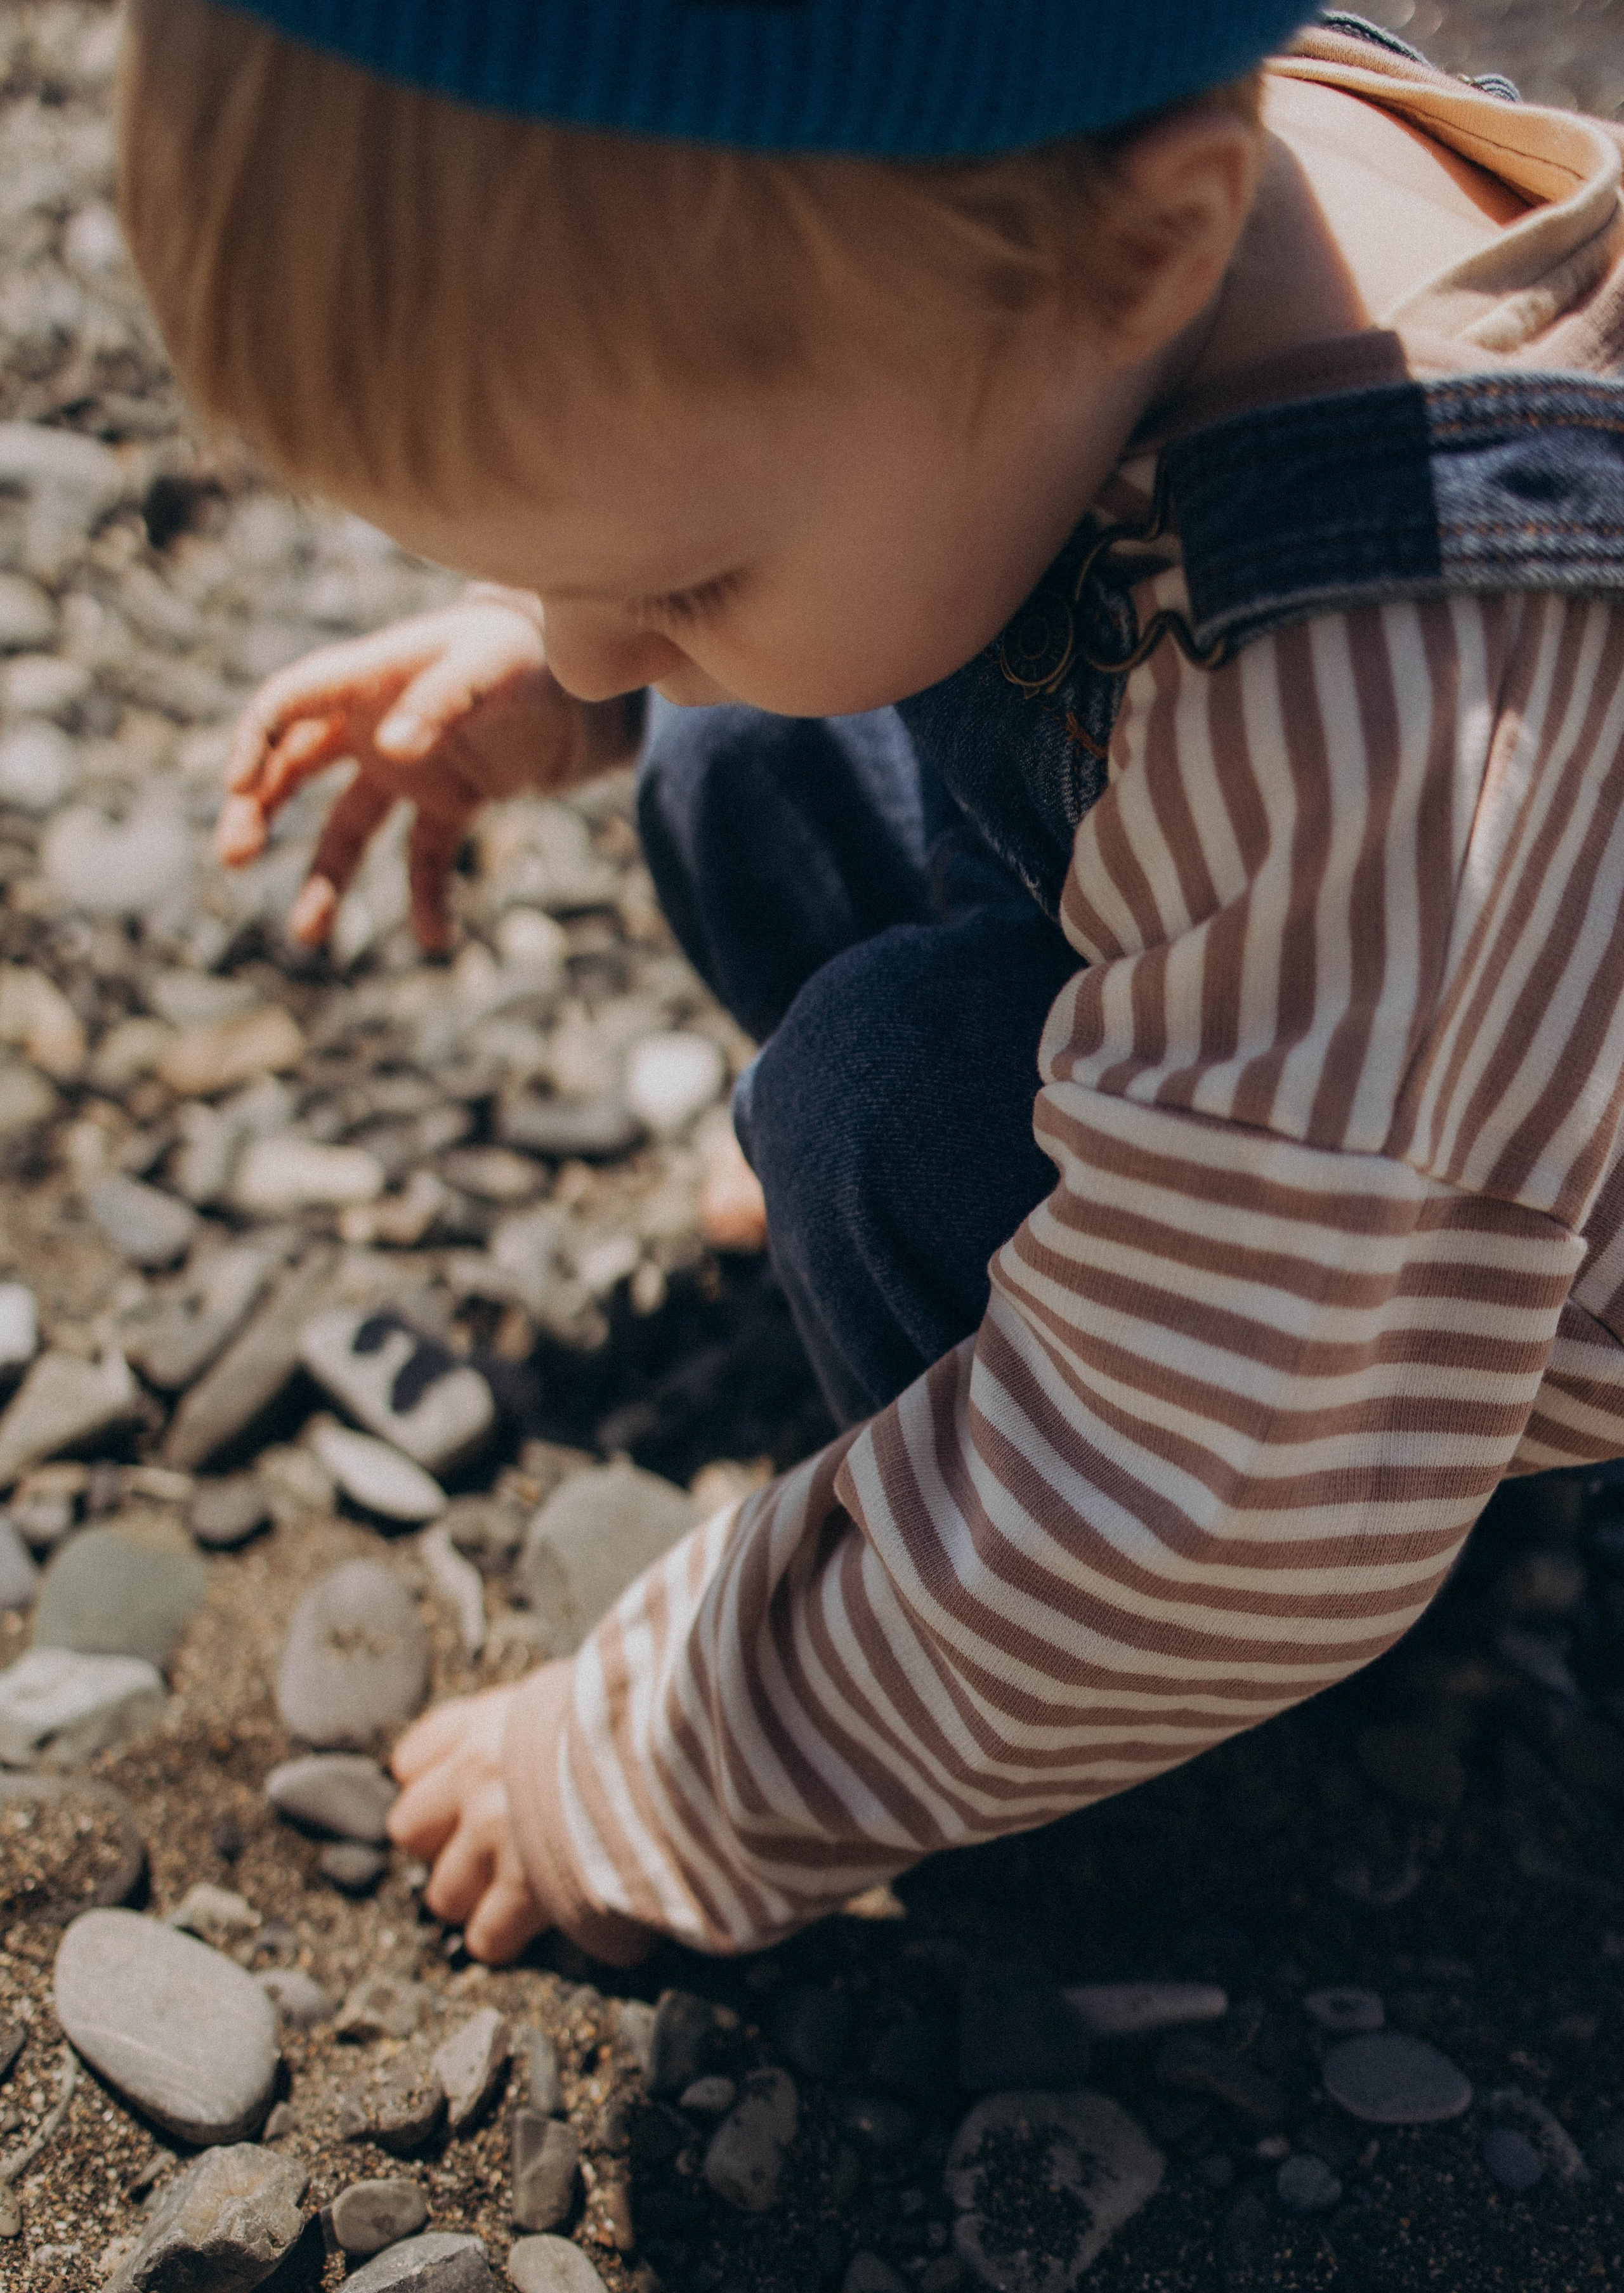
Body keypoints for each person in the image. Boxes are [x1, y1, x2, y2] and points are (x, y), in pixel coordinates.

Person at [117, 0, 1624, 1967]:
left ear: (1148, 250)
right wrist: (572, 631)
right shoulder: (1102, 188)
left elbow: (1183, 1498)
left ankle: (1128, 1759)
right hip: (1349, 1095)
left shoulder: (1397, 733)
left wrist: (668, 1760)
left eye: (677, 573)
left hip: (1412, 1291)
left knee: (883, 1112)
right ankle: (1079, 1301)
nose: (584, 646)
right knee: (728, 739)